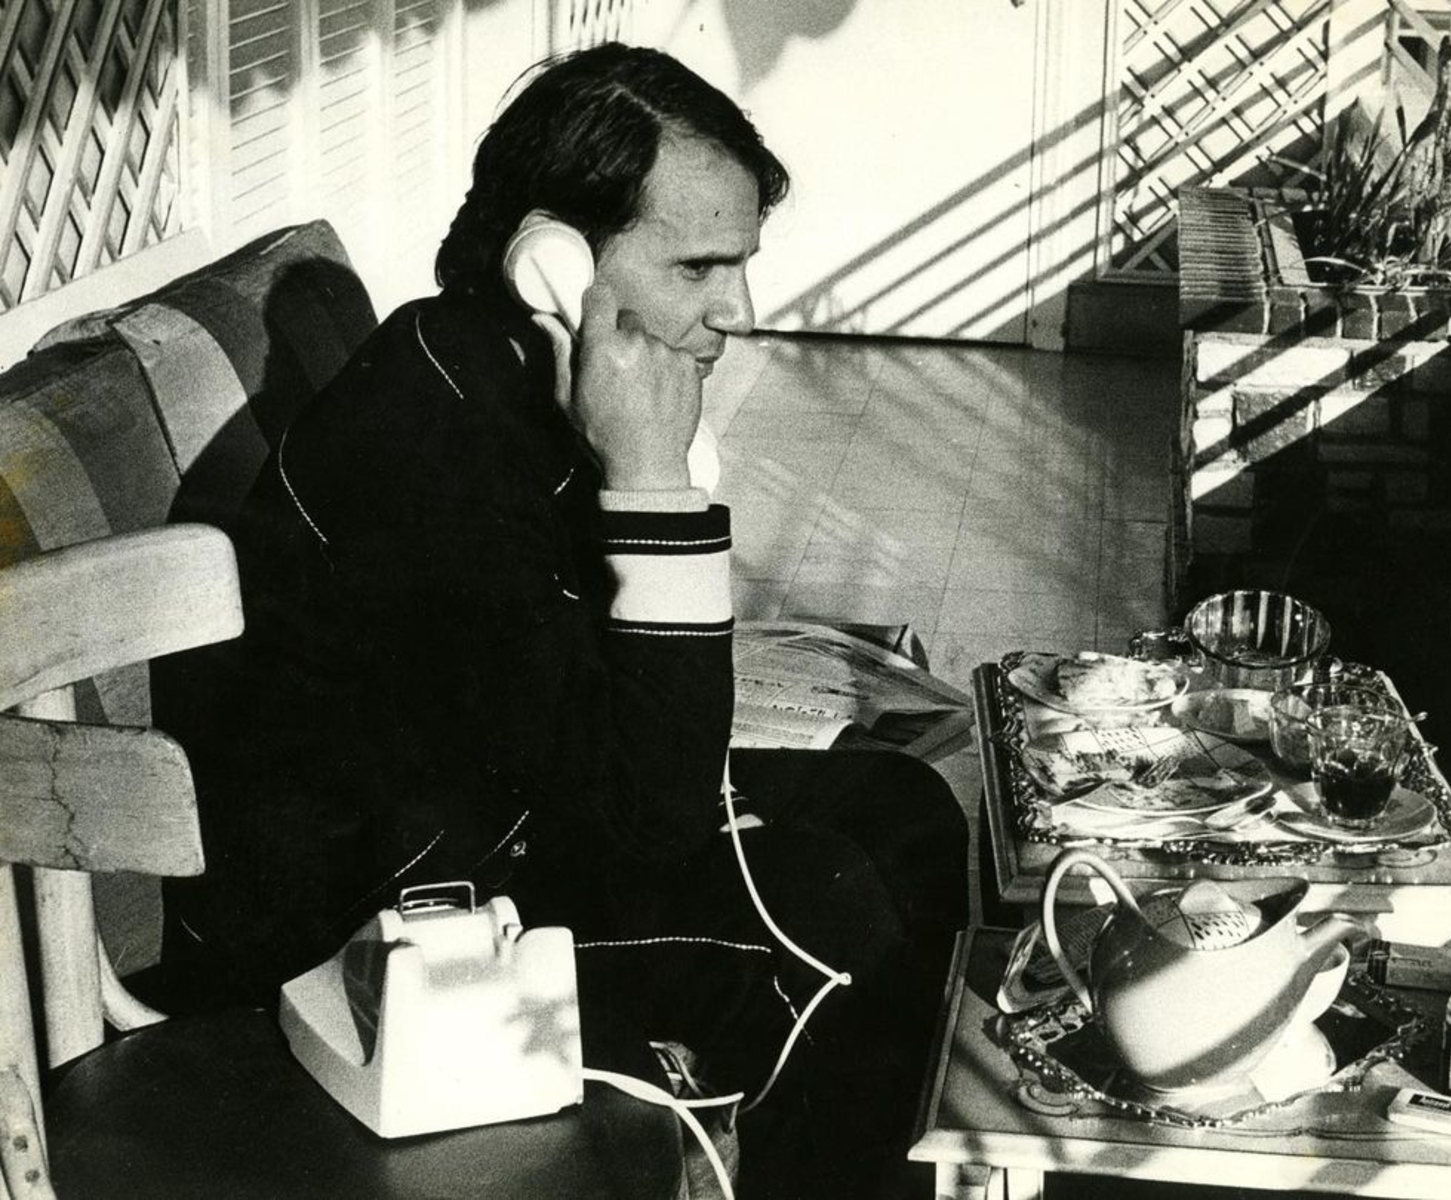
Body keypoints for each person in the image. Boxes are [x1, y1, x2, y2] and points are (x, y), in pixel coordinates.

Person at [152, 42, 968, 1198]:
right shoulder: (435, 442)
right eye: (697, 268)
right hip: (377, 930)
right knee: (822, 908)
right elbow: (651, 820)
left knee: (904, 807)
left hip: (517, 823)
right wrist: (651, 485)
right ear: (552, 259)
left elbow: (616, 754)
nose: (737, 310)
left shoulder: (515, 374)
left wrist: (647, 458)